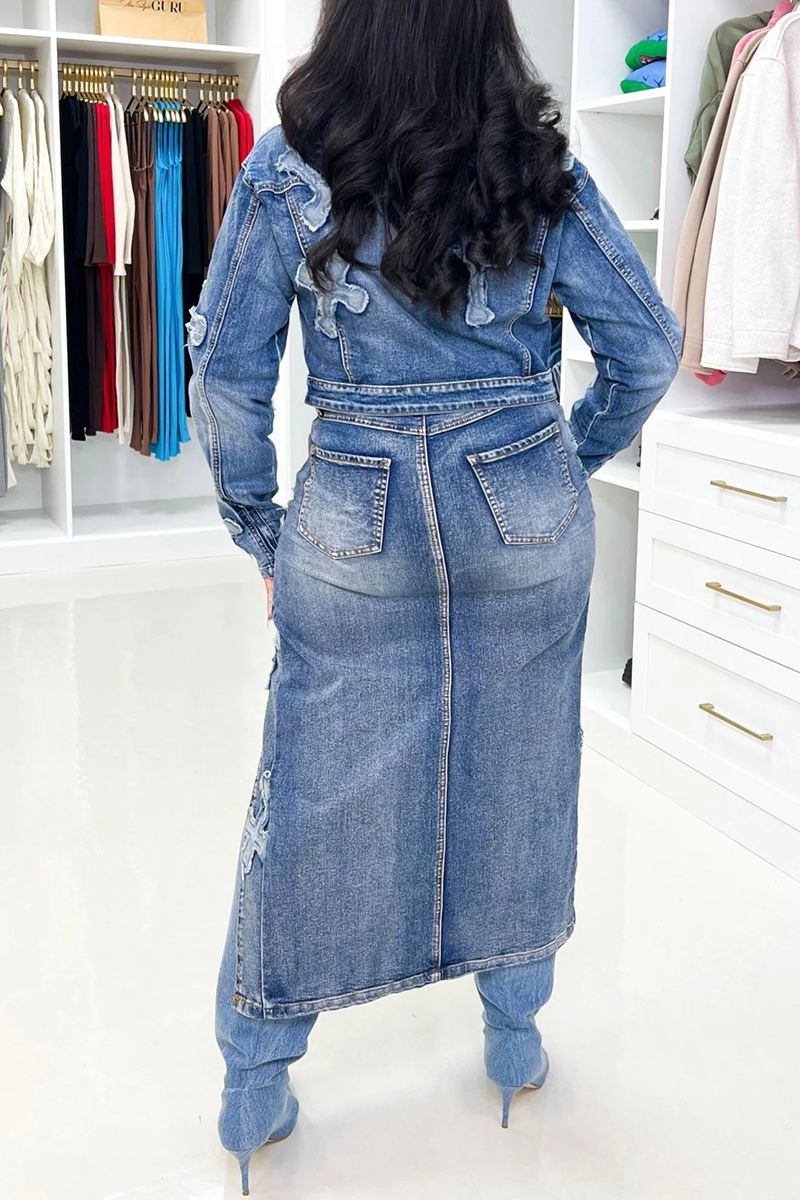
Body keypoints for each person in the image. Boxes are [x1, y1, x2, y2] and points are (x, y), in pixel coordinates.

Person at [188, 0, 681, 1191]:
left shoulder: (288, 165)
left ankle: (255, 1083)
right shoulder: (536, 164)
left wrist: (262, 530)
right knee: (522, 772)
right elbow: (649, 347)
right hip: (523, 510)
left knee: (309, 793)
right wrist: (563, 456)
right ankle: (513, 1039)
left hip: (352, 516)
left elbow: (225, 374)